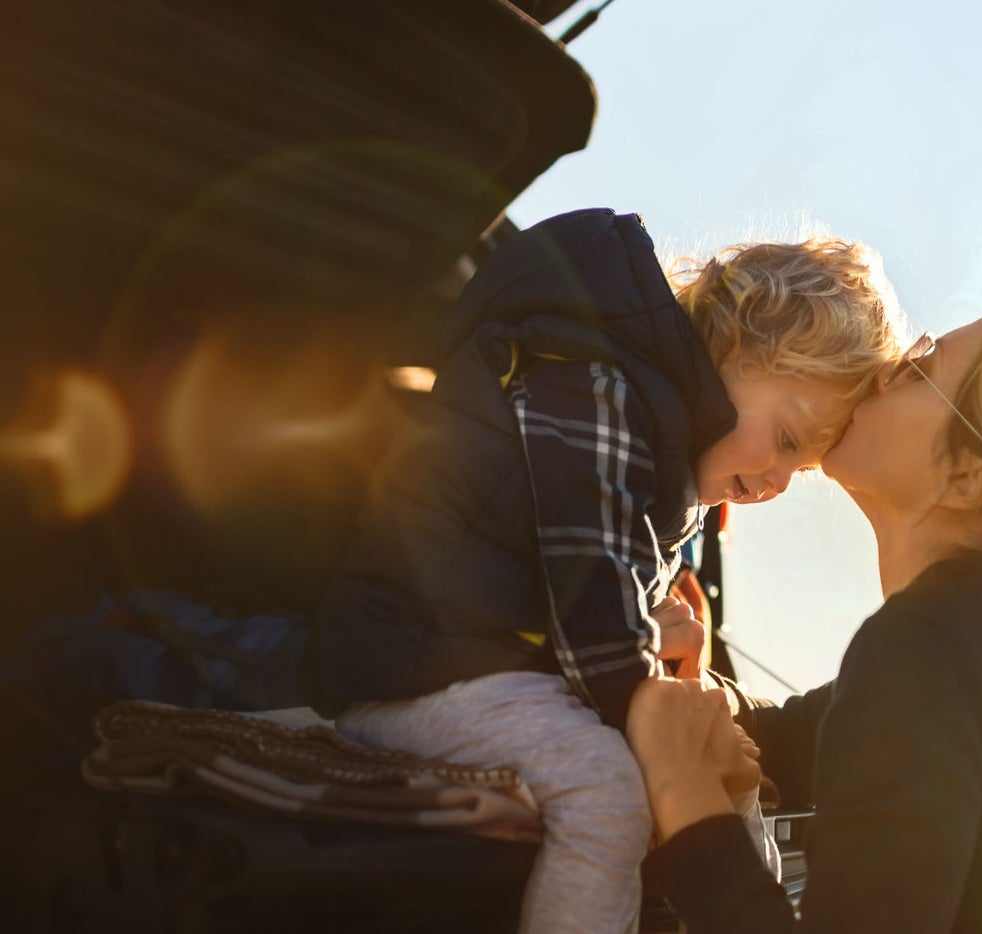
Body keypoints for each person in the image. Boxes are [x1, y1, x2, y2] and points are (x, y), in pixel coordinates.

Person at [297, 208, 905, 933]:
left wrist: (675, 680)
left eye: (795, 469)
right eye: (783, 438)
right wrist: (654, 709)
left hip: (502, 671)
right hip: (418, 671)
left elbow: (590, 601)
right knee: (606, 792)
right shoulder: (589, 378)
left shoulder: (661, 443)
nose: (773, 481)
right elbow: (588, 583)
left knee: (724, 772)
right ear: (734, 346)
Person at [627, 297, 982, 933]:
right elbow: (797, 741)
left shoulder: (935, 647)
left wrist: (686, 798)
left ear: (970, 474)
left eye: (924, 363)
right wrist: (699, 695)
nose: (885, 369)